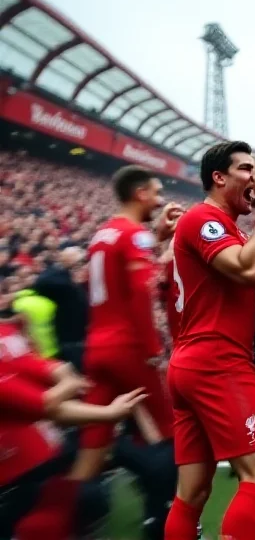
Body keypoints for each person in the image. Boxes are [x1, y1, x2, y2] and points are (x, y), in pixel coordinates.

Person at [164, 141, 255, 540]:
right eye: (246, 169)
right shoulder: (205, 218)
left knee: (192, 491)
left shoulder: (215, 224)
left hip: (191, 363)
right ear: (218, 177)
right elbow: (250, 271)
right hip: (217, 363)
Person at [70, 166, 181, 483]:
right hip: (130, 348)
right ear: (140, 193)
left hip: (97, 346)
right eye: (157, 193)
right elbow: (143, 290)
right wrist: (152, 348)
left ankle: (65, 515)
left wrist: (158, 247)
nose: (159, 202)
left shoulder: (101, 234)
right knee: (169, 431)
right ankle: (161, 515)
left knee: (94, 441)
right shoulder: (136, 234)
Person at [0, 318, 146, 540]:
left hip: (40, 454)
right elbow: (44, 404)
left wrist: (63, 384)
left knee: (89, 487)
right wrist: (109, 412)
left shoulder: (5, 331)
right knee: (85, 496)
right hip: (15, 474)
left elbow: (45, 369)